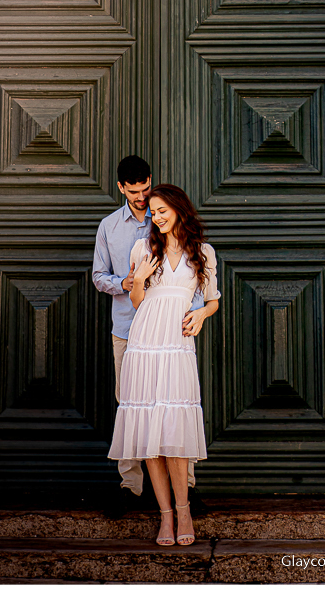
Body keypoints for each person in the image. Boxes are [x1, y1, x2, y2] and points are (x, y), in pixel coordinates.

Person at [108, 184, 220, 547]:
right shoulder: (143, 248)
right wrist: (138, 280)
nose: (155, 216)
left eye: (161, 210)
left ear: (178, 208)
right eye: (152, 212)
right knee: (150, 436)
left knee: (174, 432)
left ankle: (184, 510)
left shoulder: (202, 252)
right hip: (144, 344)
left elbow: (213, 300)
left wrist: (202, 313)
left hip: (177, 346)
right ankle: (166, 517)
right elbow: (138, 302)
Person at [93, 158, 205, 508]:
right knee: (131, 403)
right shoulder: (109, 227)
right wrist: (125, 282)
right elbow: (99, 276)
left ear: (150, 182)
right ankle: (131, 487)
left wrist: (200, 309)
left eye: (146, 189)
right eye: (134, 192)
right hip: (129, 330)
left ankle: (184, 487)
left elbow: (195, 268)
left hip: (173, 334)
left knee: (176, 405)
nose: (142, 198)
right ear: (121, 189)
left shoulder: (169, 215)